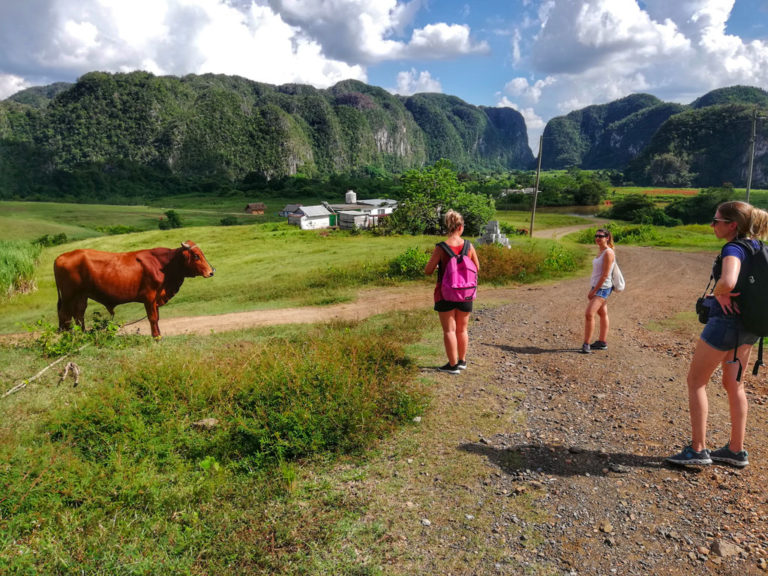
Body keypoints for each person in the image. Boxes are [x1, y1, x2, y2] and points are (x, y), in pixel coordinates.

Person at [666, 201, 768, 467]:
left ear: (732, 225)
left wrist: (720, 292)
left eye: (716, 221)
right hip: (750, 327)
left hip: (725, 324)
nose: (712, 225)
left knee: (696, 381)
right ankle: (736, 450)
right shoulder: (758, 246)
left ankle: (698, 450)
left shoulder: (733, 248)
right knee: (735, 385)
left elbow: (729, 281)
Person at [425, 209, 480, 374]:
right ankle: (462, 361)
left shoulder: (441, 248)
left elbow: (428, 270)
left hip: (445, 293)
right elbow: (477, 268)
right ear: (461, 227)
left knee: (449, 330)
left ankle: (452, 365)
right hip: (466, 293)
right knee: (462, 329)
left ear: (447, 227)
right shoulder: (469, 246)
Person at [580, 228, 615, 354]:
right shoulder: (601, 251)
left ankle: (586, 344)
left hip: (602, 288)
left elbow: (605, 275)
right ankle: (602, 342)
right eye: (596, 236)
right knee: (603, 314)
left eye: (601, 236)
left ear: (607, 238)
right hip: (597, 286)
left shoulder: (608, 253)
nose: (598, 238)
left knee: (589, 314)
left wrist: (593, 291)